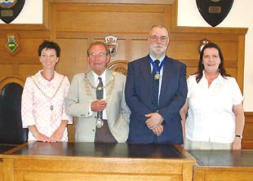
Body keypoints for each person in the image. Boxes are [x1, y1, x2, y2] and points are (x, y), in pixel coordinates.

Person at [125, 25, 187, 144]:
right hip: (141, 130)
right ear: (148, 40)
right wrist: (151, 120)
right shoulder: (134, 67)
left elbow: (181, 96)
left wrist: (161, 116)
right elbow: (130, 96)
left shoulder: (179, 67)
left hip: (170, 130)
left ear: (168, 41)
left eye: (163, 38)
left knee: (171, 163)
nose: (159, 41)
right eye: (154, 37)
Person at [180, 42, 245, 150]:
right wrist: (182, 136)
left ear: (220, 60)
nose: (211, 60)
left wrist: (238, 138)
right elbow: (182, 111)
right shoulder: (191, 81)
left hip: (224, 142)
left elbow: (239, 113)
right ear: (202, 60)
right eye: (206, 56)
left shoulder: (230, 83)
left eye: (215, 56)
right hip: (195, 141)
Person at [65, 41, 130, 143]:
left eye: (101, 54)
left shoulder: (121, 79)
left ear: (108, 58)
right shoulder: (78, 79)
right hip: (86, 136)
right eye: (93, 55)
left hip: (115, 135)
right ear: (88, 59)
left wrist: (124, 126)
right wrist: (89, 107)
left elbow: (127, 109)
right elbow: (69, 107)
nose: (96, 59)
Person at [21, 40, 72, 142]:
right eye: (44, 55)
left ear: (57, 59)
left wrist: (60, 131)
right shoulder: (31, 81)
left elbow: (68, 108)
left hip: (59, 135)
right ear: (40, 58)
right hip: (37, 136)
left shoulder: (64, 80)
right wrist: (37, 134)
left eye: (52, 55)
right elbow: (26, 111)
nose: (48, 59)